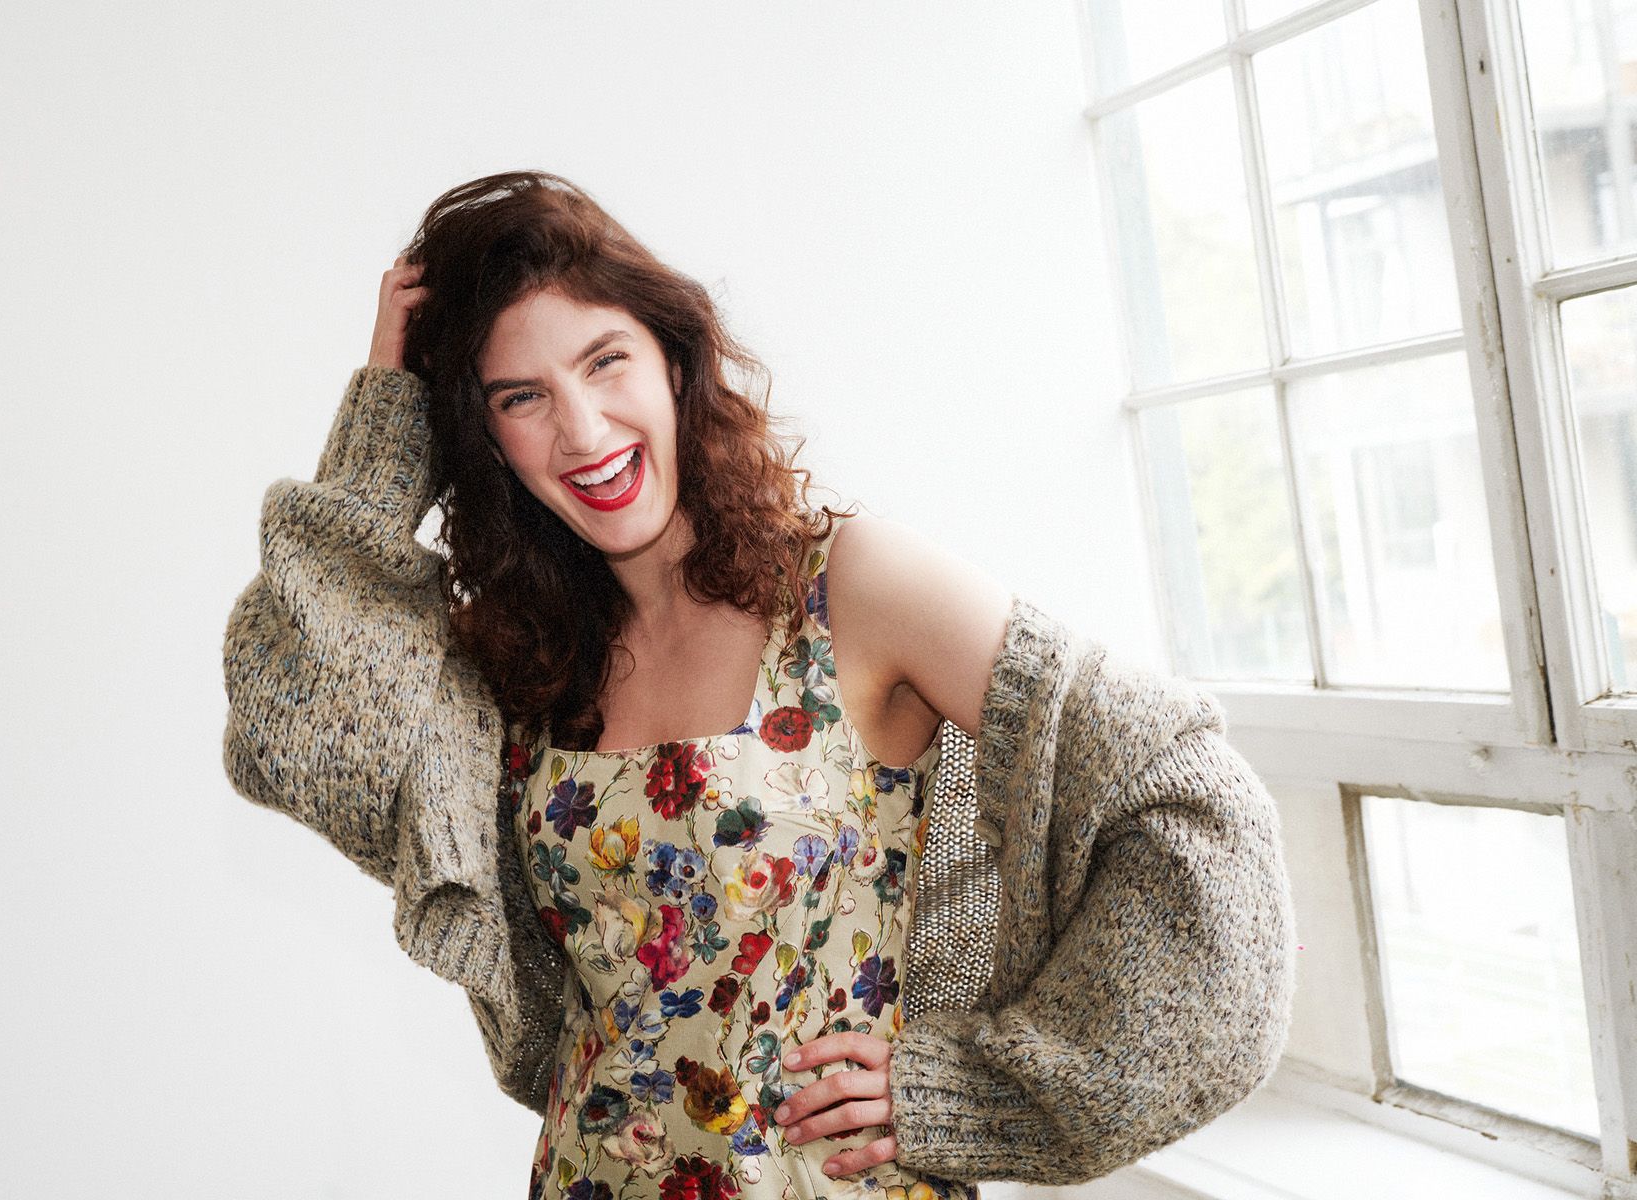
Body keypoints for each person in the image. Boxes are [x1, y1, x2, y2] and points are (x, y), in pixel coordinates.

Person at [221, 170, 1296, 1196]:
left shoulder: (851, 587)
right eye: (521, 396)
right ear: (483, 437)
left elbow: (1191, 802)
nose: (583, 431)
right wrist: (385, 423)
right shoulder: (521, 664)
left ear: (673, 360)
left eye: (605, 362)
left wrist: (974, 1092)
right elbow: (296, 731)